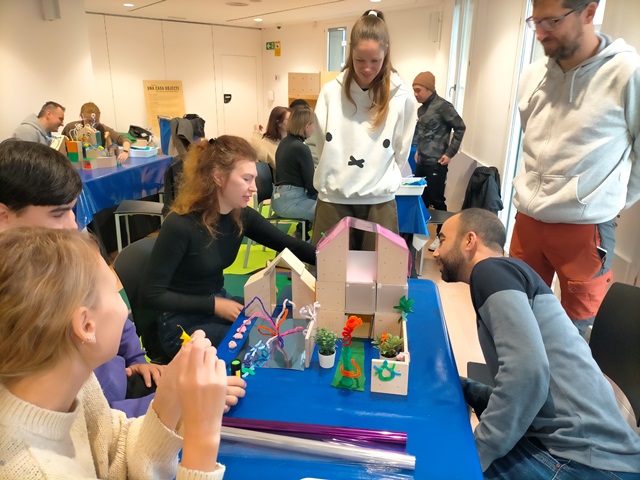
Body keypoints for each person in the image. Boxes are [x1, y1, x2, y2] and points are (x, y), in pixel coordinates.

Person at [0, 139, 245, 418]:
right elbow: (84, 423)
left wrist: (137, 359)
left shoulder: (60, 258)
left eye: (72, 210)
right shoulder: (20, 304)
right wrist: (174, 402)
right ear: (3, 216)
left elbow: (120, 321)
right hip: (105, 413)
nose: (72, 225)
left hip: (124, 389)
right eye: (57, 214)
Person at [0, 227, 227, 479]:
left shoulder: (74, 383)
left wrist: (171, 395)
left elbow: (112, 452)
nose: (124, 307)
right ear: (87, 326)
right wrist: (203, 437)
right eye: (114, 290)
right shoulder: (32, 472)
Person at [432, 208, 640, 479]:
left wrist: (475, 453)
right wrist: (461, 386)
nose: (435, 251)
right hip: (594, 454)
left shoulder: (490, 270)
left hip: (584, 462)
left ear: (469, 240)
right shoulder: (509, 273)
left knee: (436, 463)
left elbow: (527, 376)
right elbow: (530, 386)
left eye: (442, 240)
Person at [511, 0, 640, 337]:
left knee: (577, 333)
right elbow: (532, 141)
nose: (541, 33)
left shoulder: (627, 72)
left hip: (584, 229)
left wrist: (615, 202)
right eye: (536, 22)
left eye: (552, 21)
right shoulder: (532, 75)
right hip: (528, 221)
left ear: (589, 12)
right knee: (517, 318)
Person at [141, 136, 316, 358]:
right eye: (246, 179)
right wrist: (214, 305)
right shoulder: (180, 225)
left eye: (254, 179)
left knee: (274, 321)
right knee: (254, 347)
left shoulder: (239, 216)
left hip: (216, 303)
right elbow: (151, 295)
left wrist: (332, 260)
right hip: (180, 323)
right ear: (219, 177)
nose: (254, 188)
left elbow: (287, 244)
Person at [311, 9, 416, 251]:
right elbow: (321, 144)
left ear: (386, 52)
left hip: (379, 202)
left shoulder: (402, 96)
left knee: (379, 271)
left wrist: (378, 174)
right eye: (360, 60)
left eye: (375, 61)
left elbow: (401, 151)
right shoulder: (331, 92)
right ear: (350, 53)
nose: (367, 68)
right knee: (329, 270)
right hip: (333, 199)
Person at [411, 71, 466, 251]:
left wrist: (450, 153)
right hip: (422, 161)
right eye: (414, 90)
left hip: (437, 163)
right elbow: (421, 131)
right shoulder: (421, 109)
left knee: (437, 200)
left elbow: (460, 127)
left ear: (429, 89)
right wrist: (418, 149)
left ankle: (442, 237)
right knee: (420, 199)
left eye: (418, 90)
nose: (415, 94)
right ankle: (419, 234)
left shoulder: (443, 106)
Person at [272, 105, 317, 234]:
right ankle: (310, 242)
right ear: (306, 126)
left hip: (279, 199)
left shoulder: (284, 142)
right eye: (312, 124)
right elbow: (311, 184)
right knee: (327, 212)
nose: (314, 128)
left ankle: (300, 233)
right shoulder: (301, 148)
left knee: (319, 200)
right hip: (291, 202)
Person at [62, 102, 132, 164]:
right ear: (81, 116)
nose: (93, 124)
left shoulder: (102, 128)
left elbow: (123, 138)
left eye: (96, 120)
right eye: (89, 121)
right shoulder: (71, 129)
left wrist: (125, 152)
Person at [250, 105, 290, 173]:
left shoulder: (291, 141)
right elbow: (254, 151)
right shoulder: (266, 144)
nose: (293, 122)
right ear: (278, 123)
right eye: (289, 120)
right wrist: (256, 132)